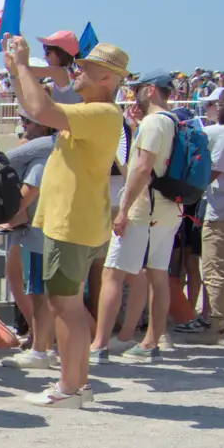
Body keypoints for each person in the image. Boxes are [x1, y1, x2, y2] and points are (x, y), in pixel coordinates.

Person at [3, 36, 130, 408]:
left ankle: (70, 387)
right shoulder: (98, 111)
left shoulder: (102, 112)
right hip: (75, 221)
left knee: (65, 307)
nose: (77, 71)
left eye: (86, 68)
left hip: (72, 222)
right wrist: (17, 73)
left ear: (106, 78)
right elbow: (34, 106)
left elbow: (41, 110)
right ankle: (77, 384)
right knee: (66, 305)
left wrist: (24, 65)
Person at [93, 71, 183, 364]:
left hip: (144, 210)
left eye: (137, 90)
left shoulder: (154, 123)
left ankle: (99, 345)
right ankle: (150, 343)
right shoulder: (174, 121)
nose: (132, 95)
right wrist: (134, 128)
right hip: (169, 208)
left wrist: (124, 209)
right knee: (158, 274)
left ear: (151, 90)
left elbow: (143, 169)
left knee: (113, 273)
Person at [0, 115, 58, 370]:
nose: (24, 124)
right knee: (40, 292)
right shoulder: (49, 150)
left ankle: (41, 349)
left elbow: (30, 188)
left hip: (38, 230)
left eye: (28, 121)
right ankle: (42, 342)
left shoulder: (42, 154)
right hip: (40, 228)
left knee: (39, 293)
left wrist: (10, 216)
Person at [195, 93, 224, 343]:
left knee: (216, 269)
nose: (216, 109)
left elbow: (212, 173)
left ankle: (219, 329)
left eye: (219, 104)